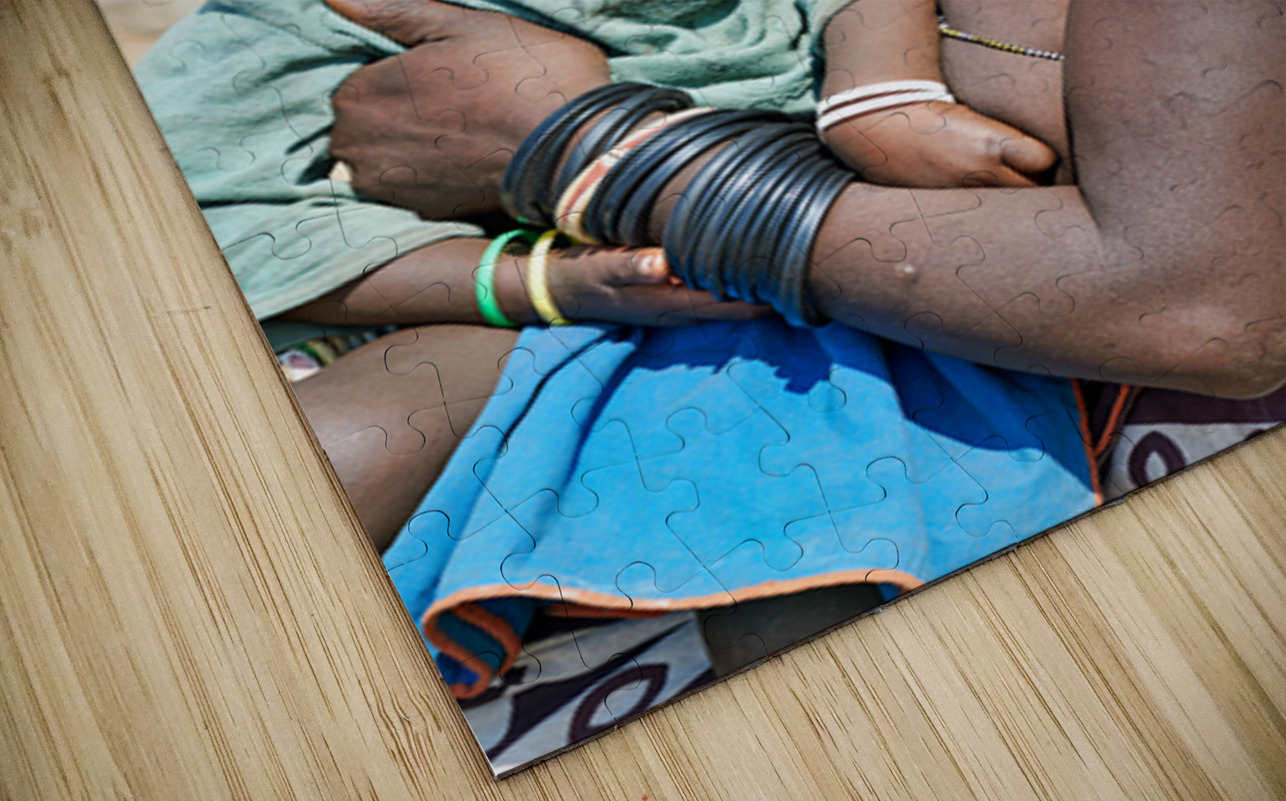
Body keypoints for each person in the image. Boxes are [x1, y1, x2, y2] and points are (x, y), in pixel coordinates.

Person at [135, 0, 1283, 703]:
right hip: (533, 305)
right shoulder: (290, 32)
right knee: (288, 503)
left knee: (808, 565)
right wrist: (530, 276)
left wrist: (866, 92)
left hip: (840, 327)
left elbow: (1203, 302)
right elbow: (199, 208)